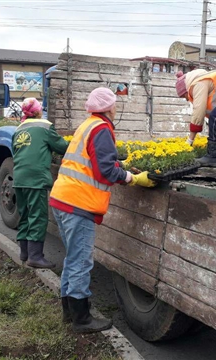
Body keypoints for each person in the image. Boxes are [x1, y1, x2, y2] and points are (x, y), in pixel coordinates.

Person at [49, 87, 155, 333]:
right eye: (115, 105)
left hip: (63, 199)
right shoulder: (102, 129)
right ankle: (82, 319)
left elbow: (92, 161)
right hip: (79, 204)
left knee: (73, 258)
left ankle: (69, 311)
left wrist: (123, 164)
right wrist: (132, 178)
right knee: (81, 261)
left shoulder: (87, 125)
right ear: (109, 107)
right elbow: (104, 171)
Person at [12, 98, 69, 268]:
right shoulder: (44, 126)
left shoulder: (19, 129)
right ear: (37, 111)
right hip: (35, 178)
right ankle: (35, 257)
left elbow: (15, 151)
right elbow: (62, 146)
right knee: (38, 216)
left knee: (24, 215)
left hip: (19, 177)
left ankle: (24, 253)